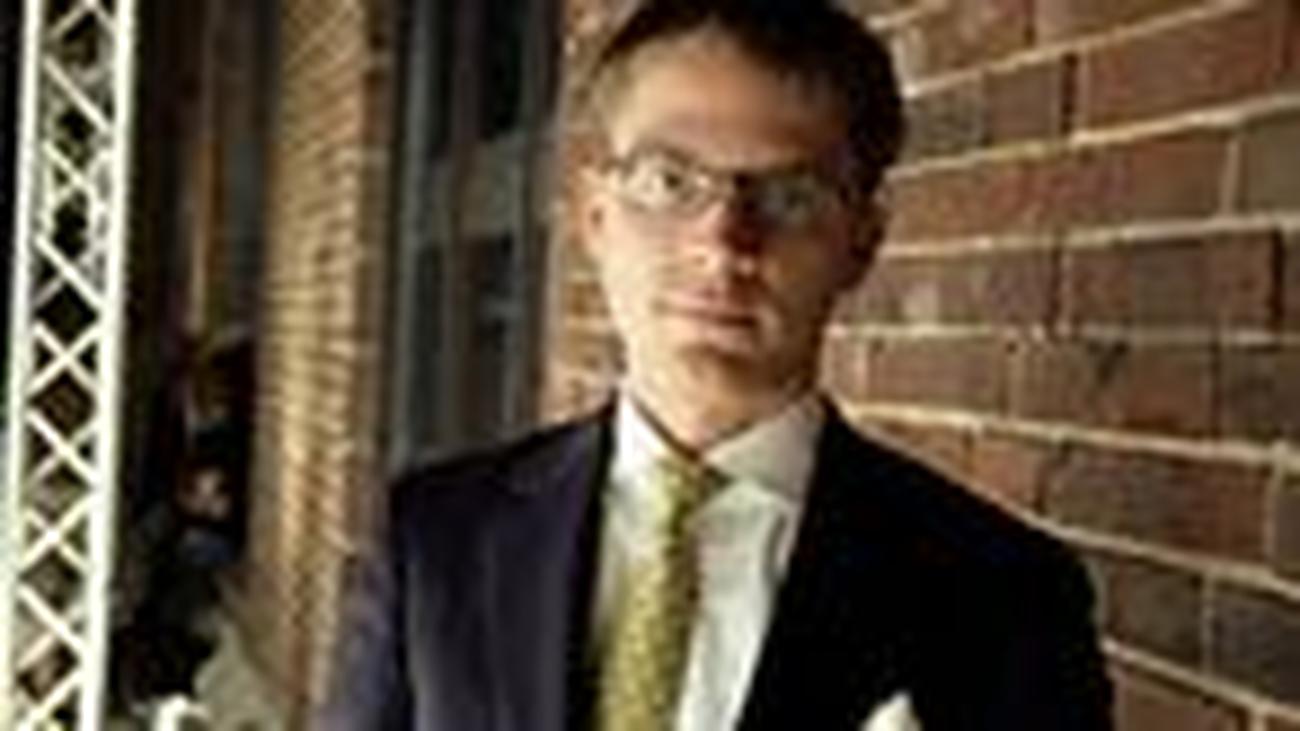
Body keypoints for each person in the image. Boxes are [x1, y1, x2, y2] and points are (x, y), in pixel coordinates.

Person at [316, 1, 1113, 729]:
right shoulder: (435, 538)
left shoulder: (1008, 596)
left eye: (791, 195)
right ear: (595, 216)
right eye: (670, 181)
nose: (724, 243)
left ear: (861, 243)